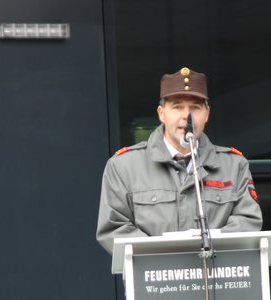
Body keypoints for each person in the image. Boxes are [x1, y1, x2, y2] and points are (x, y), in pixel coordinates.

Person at [96, 67, 262, 254]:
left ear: (207, 114)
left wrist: (209, 250)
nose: (186, 116)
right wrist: (167, 259)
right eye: (177, 107)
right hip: (156, 272)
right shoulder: (124, 166)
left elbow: (248, 221)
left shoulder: (234, 165)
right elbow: (114, 228)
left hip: (217, 271)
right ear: (161, 113)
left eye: (195, 108)